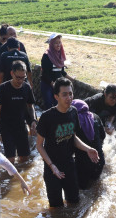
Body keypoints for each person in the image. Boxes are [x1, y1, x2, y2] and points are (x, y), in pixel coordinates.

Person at [36, 78, 99, 208]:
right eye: (64, 94)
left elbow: (73, 137)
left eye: (70, 94)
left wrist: (88, 149)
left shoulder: (73, 112)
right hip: (52, 168)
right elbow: (39, 145)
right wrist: (52, 166)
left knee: (74, 203)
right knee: (56, 208)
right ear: (56, 96)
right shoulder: (47, 117)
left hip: (69, 164)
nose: (68, 97)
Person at [0, 61, 37, 164]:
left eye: (23, 77)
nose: (21, 80)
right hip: (6, 128)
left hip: (21, 127)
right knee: (10, 160)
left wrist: (33, 121)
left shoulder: (26, 88)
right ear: (12, 73)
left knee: (25, 159)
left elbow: (30, 107)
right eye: (18, 77)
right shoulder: (3, 88)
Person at [72, 99, 105, 190]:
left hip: (82, 164)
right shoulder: (95, 117)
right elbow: (103, 135)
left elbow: (70, 142)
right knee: (95, 187)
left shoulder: (73, 121)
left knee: (83, 190)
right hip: (99, 160)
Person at [40, 33, 67, 109]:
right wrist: (52, 83)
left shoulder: (60, 55)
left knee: (57, 105)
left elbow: (61, 71)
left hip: (57, 85)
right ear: (51, 44)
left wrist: (71, 80)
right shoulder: (46, 56)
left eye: (59, 42)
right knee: (48, 104)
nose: (58, 45)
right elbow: (45, 73)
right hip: (47, 84)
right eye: (56, 43)